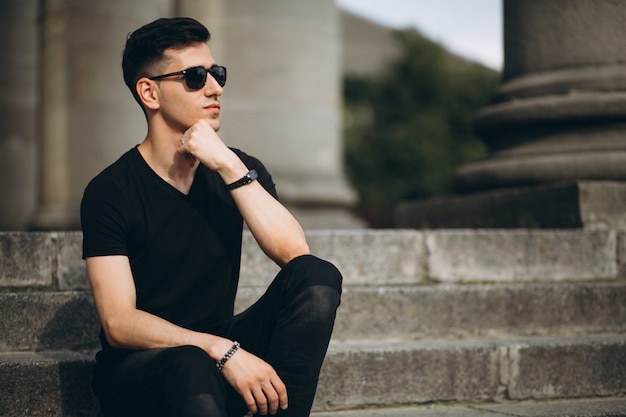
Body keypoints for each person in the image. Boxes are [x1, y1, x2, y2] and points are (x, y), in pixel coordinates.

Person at [80, 16, 342, 417]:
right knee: (191, 362)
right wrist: (221, 349)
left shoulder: (236, 169)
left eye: (216, 73)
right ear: (149, 93)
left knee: (318, 278)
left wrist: (229, 166)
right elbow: (119, 323)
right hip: (145, 368)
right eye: (195, 76)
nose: (215, 87)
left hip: (219, 349)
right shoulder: (110, 191)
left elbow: (296, 256)